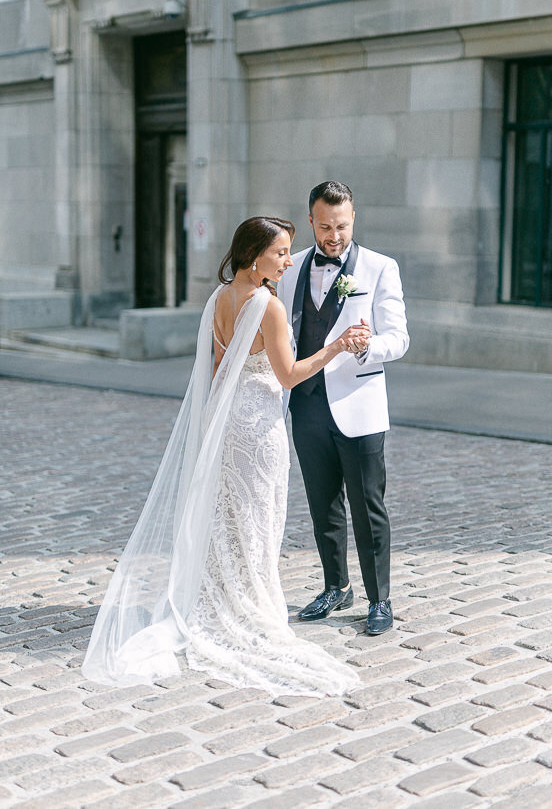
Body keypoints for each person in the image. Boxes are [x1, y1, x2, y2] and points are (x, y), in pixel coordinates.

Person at [82, 216, 366, 695]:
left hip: (225, 417)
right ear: (255, 256)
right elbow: (289, 375)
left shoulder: (217, 298)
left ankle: (222, 597)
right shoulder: (266, 305)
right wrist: (337, 345)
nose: (288, 261)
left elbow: (215, 368)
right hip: (257, 426)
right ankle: (249, 603)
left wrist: (214, 426)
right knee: (258, 518)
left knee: (229, 516)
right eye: (280, 253)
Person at [277, 182, 409, 635]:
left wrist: (367, 346)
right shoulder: (290, 268)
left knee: (368, 506)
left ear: (354, 218)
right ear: (311, 220)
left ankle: (379, 600)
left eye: (343, 226)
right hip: (306, 404)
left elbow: (400, 338)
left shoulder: (379, 267)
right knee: (322, 504)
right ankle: (336, 587)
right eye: (326, 226)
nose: (335, 236)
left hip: (359, 407)